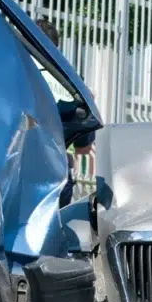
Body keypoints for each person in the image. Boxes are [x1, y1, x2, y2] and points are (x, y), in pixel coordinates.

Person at [34, 18, 94, 207]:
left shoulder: (16, 70)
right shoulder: (71, 82)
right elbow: (83, 148)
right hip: (57, 172)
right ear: (55, 48)